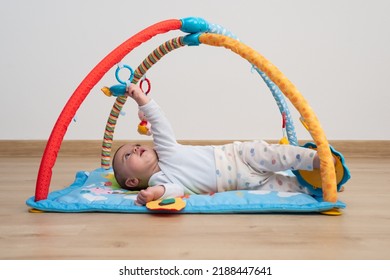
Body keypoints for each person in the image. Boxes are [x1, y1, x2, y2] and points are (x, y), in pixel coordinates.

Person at [113, 84, 326, 206]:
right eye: (127, 156)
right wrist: (154, 194)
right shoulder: (159, 180)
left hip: (238, 156)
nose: (135, 148)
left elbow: (160, 123)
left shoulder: (165, 150)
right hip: (242, 183)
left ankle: (315, 159)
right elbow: (175, 190)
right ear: (132, 181)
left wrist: (142, 99)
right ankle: (322, 186)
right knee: (288, 188)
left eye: (135, 145)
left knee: (276, 154)